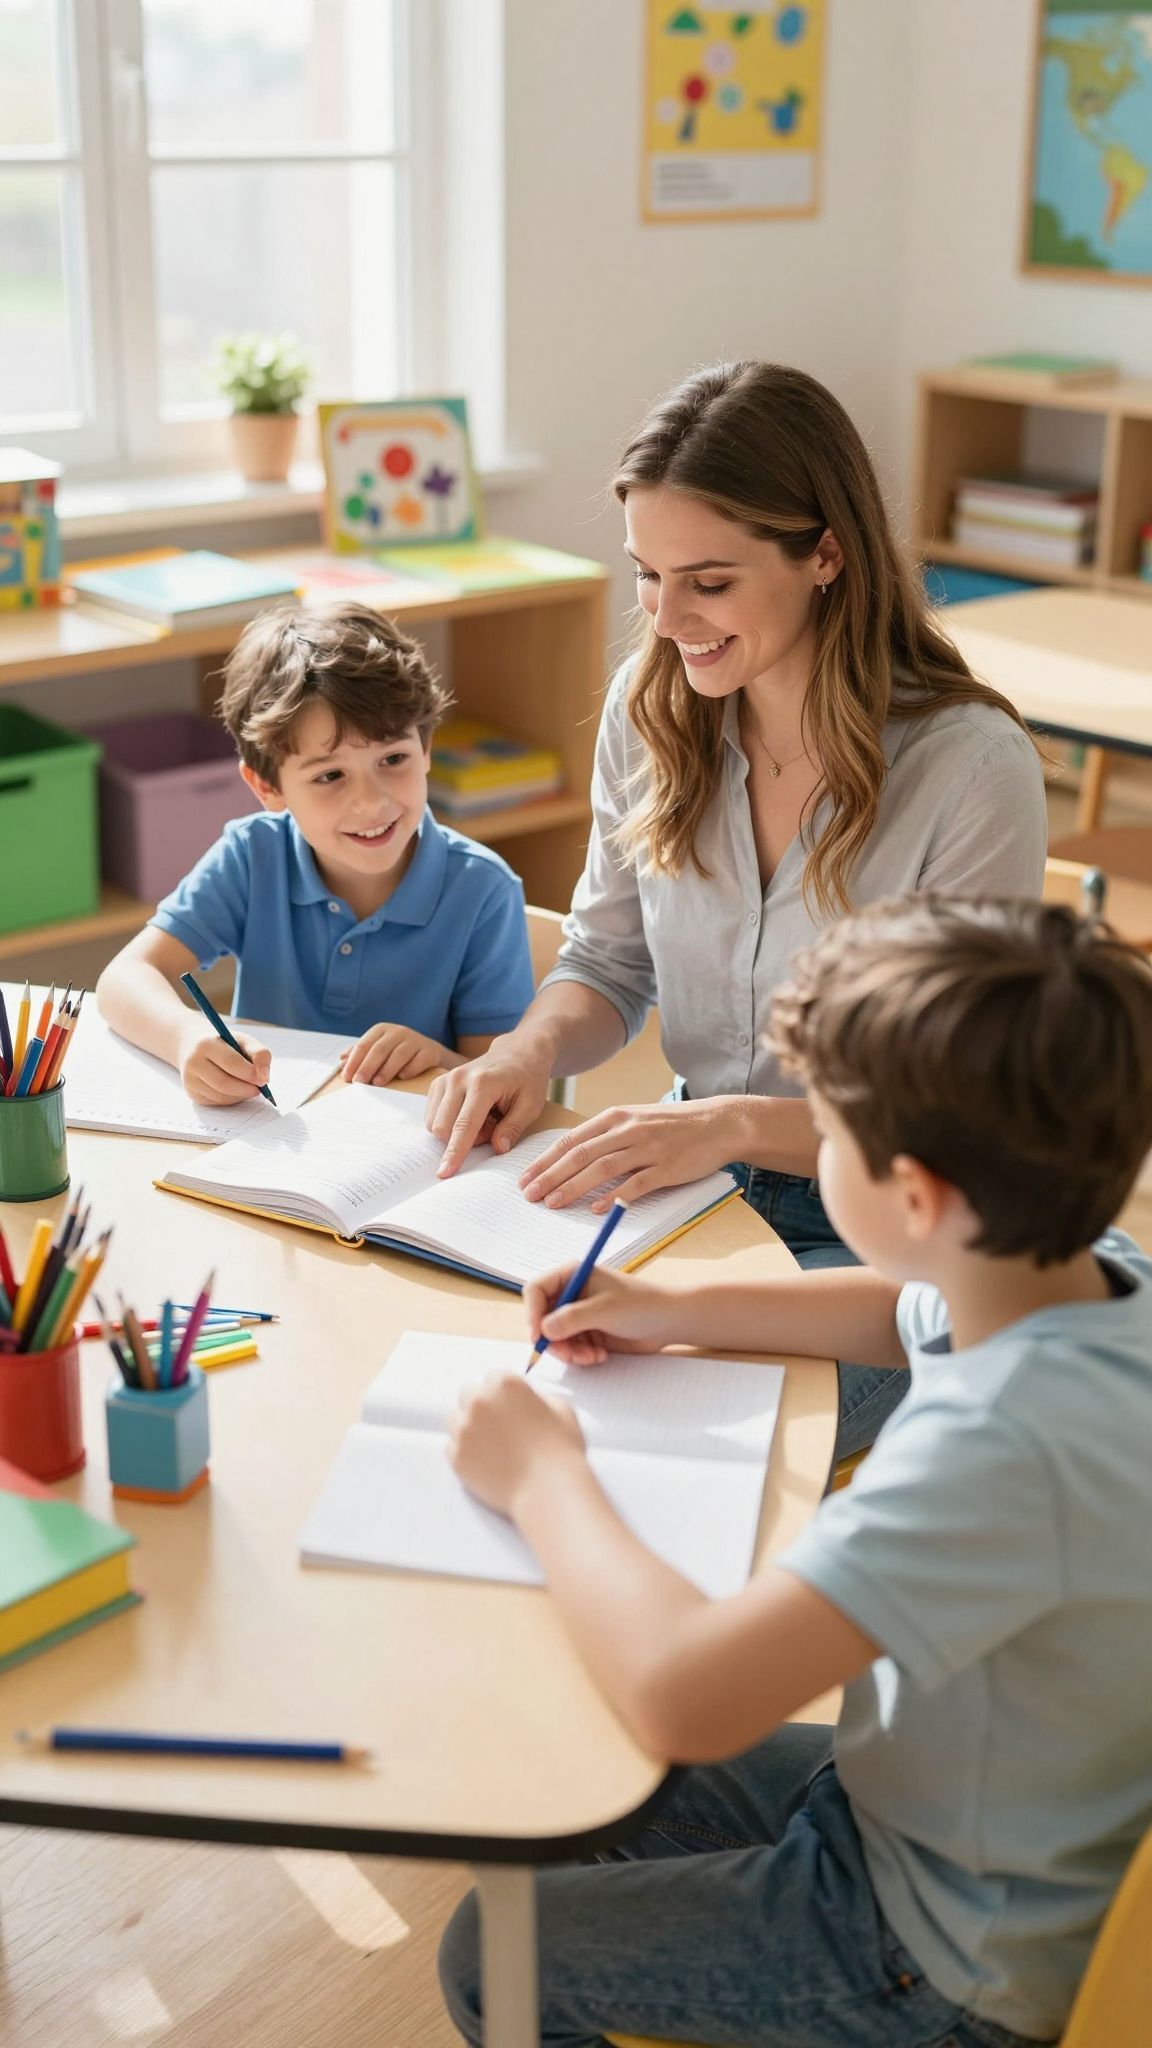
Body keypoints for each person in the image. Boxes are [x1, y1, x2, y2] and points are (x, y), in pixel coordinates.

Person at [439, 894, 1152, 2048]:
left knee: (494, 1954)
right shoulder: (1080, 1271)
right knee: (568, 1772)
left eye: (826, 1133)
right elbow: (900, 1304)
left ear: (913, 1195)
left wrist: (541, 1475)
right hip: (944, 1811)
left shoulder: (999, 1451)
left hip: (937, 1954)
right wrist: (665, 1308)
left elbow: (688, 1693)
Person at [426, 362, 1047, 1456]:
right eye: (646, 576)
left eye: (707, 582)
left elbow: (965, 1127)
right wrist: (529, 1050)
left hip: (891, 1246)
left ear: (825, 555)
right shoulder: (653, 710)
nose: (666, 620)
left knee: (669, 1435)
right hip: (692, 1186)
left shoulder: (968, 770)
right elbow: (609, 962)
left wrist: (733, 1123)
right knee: (494, 1349)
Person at [96, 602, 535, 1105]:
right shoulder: (253, 856)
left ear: (427, 746)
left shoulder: (482, 890)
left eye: (393, 758)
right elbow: (124, 979)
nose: (372, 801)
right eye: (330, 776)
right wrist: (186, 1037)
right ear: (267, 788)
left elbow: (498, 1085)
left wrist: (436, 1060)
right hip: (275, 1140)